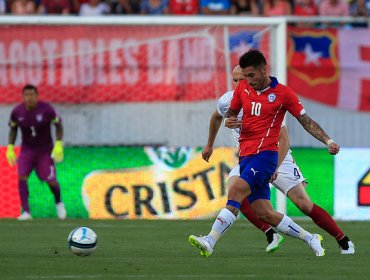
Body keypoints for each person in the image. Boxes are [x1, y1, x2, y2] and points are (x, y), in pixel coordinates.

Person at [189, 49, 340, 257]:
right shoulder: (240, 91)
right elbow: (227, 114)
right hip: (246, 156)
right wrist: (228, 123)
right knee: (265, 213)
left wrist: (328, 140)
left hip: (267, 156)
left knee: (236, 190)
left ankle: (210, 240)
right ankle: (310, 238)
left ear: (263, 70)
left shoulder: (282, 94)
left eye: (249, 76)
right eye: (239, 78)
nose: (244, 82)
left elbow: (305, 123)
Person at [6, 84, 67, 221]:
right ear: (23, 97)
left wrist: (58, 144)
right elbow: (13, 129)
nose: (29, 98)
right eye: (26, 95)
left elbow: (58, 125)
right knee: (22, 177)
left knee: (51, 181)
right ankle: (26, 212)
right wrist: (10, 146)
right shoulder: (17, 112)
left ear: (36, 96)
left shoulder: (46, 109)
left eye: (32, 95)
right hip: (27, 151)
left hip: (45, 151)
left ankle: (59, 203)